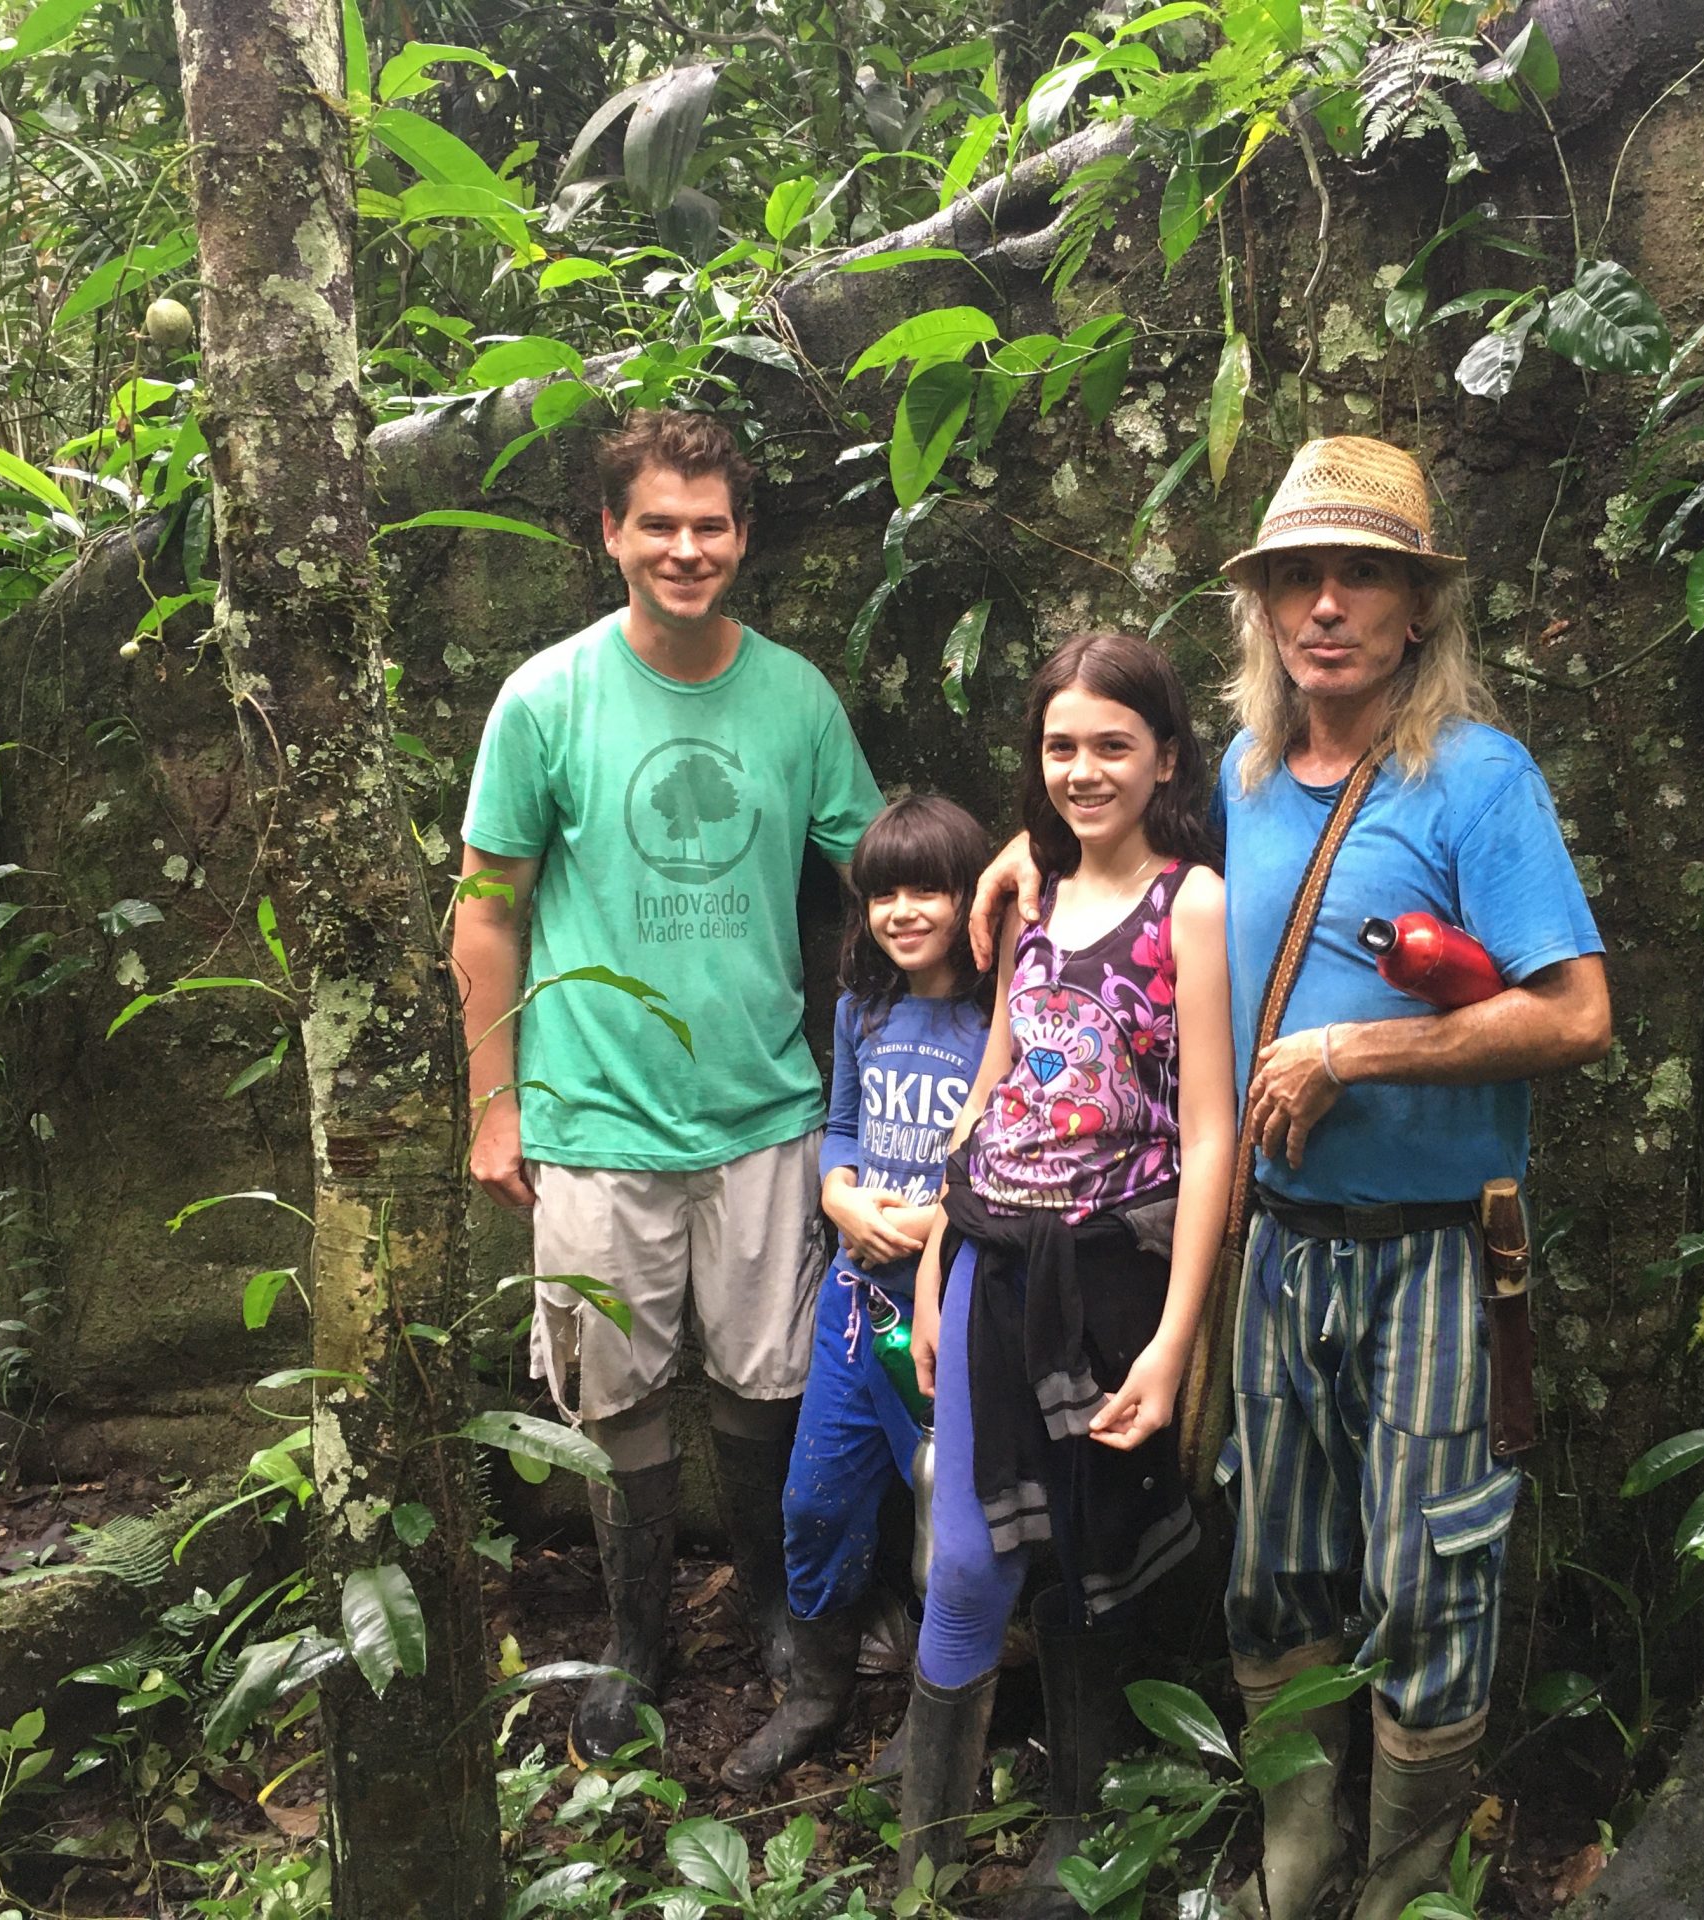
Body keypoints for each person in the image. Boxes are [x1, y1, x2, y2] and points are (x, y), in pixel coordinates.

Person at [971, 438, 1612, 1920]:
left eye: (1361, 578)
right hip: (1280, 1250)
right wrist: (1023, 840)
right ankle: (1293, 1860)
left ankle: (1397, 1885)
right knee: (1277, 1570)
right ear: (1263, 609)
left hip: (1439, 1253)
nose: (1327, 607)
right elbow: (1120, 831)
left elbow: (1576, 1012)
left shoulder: (1474, 782)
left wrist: (1357, 1053)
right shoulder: (1249, 782)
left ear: (1412, 610)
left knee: (1428, 1577)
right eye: (1297, 581)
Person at [452, 409, 885, 1763]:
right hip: (593, 1109)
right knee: (614, 1390)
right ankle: (636, 1638)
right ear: (611, 534)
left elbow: (885, 871)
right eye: (660, 524)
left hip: (763, 1102)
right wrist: (494, 1099)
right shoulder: (545, 698)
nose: (686, 549)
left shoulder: (796, 698)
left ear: (742, 540)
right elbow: (485, 908)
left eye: (710, 526)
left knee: (769, 1382)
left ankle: (766, 1599)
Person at [897, 632, 1234, 1904]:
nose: (1083, 771)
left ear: (1164, 758)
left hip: (1111, 1278)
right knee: (972, 1551)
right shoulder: (1029, 883)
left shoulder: (1188, 900)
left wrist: (1171, 1339)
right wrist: (936, 1247)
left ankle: (1080, 1830)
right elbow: (995, 1078)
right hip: (992, 1250)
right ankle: (924, 1859)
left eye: (1111, 746)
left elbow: (1210, 1133)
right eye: (1060, 747)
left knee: (1091, 1553)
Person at [720, 795, 992, 1790]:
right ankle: (818, 1693)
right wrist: (837, 1193)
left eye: (928, 888)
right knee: (817, 1502)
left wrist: (929, 1225)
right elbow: (842, 1124)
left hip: (951, 1312)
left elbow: (1011, 1153)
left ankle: (937, 1719)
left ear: (973, 898)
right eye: (883, 892)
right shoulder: (862, 1012)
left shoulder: (997, 1016)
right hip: (852, 1308)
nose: (903, 910)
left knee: (944, 1530)